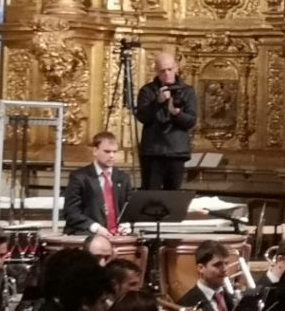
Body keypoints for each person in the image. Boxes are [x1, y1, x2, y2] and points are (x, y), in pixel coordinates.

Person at [135, 52, 198, 190]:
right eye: (162, 70)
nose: (167, 73)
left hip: (177, 151)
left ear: (176, 68)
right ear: (156, 71)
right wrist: (157, 102)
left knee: (173, 195)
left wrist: (176, 113)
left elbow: (191, 121)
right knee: (150, 195)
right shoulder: (147, 91)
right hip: (153, 151)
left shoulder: (187, 91)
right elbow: (142, 117)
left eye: (170, 69)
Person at [64, 131, 133, 237]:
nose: (112, 156)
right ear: (95, 151)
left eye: (114, 152)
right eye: (107, 151)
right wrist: (96, 228)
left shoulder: (123, 178)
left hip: (117, 235)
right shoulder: (80, 177)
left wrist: (126, 224)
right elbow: (71, 212)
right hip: (88, 233)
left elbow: (130, 208)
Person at [178, 241, 231, 310]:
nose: (225, 269)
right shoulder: (186, 304)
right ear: (200, 268)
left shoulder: (232, 296)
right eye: (217, 265)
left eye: (226, 263)